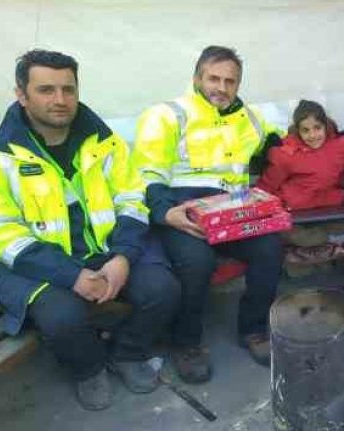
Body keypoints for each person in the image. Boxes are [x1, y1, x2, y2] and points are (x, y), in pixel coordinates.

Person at [0, 50, 180, 410]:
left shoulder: (104, 141)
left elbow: (131, 199)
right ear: (22, 94)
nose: (60, 100)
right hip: (36, 264)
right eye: (46, 90)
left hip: (104, 249)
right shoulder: (1, 155)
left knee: (163, 289)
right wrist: (71, 274)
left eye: (68, 89)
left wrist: (123, 257)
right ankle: (88, 368)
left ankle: (127, 354)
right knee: (62, 318)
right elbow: (3, 235)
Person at [132, 45, 284, 384]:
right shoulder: (167, 114)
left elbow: (275, 140)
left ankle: (255, 329)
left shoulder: (249, 118)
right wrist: (164, 212)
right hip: (181, 210)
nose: (222, 87)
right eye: (214, 78)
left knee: (270, 247)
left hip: (231, 208)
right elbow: (147, 173)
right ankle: (186, 343)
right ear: (197, 78)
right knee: (196, 260)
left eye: (230, 81)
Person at [256, 99, 344, 271]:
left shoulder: (340, 148)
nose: (313, 135)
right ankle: (329, 249)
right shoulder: (286, 155)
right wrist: (255, 206)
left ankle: (335, 249)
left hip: (330, 204)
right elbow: (267, 185)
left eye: (317, 128)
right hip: (292, 210)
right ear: (298, 131)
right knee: (297, 237)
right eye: (306, 130)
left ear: (325, 126)